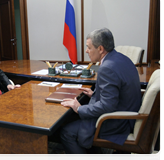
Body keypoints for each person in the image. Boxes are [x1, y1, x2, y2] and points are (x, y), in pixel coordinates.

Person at [60, 28, 141, 160]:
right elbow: (118, 92)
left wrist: (79, 108)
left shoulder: (107, 67)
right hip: (129, 114)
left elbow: (108, 107)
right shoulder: (122, 59)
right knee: (77, 117)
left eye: (89, 47)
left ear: (101, 49)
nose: (86, 51)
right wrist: (95, 94)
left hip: (117, 122)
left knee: (66, 132)